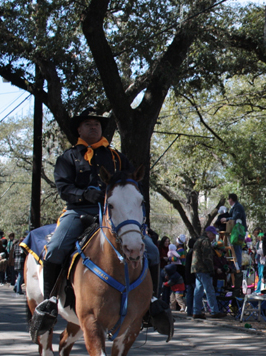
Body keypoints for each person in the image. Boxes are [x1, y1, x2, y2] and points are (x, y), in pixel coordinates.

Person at [30, 107, 171, 339]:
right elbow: (64, 188)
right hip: (79, 212)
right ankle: (49, 302)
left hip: (113, 216)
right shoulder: (68, 157)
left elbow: (131, 184)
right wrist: (85, 194)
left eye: (97, 124)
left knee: (153, 250)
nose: (93, 127)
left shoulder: (116, 157)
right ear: (79, 129)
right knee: (55, 248)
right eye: (88, 124)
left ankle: (152, 303)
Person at [191, 226, 226, 320]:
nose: (214, 237)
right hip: (203, 269)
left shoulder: (198, 240)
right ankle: (214, 311)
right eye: (213, 235)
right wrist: (211, 269)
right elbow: (207, 257)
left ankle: (196, 311)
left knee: (198, 290)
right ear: (208, 233)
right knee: (209, 290)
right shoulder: (205, 242)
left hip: (196, 268)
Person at [219, 193, 247, 270]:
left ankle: (237, 267)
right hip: (234, 232)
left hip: (238, 232)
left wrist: (226, 219)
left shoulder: (238, 207)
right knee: (234, 249)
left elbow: (235, 217)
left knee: (237, 248)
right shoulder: (234, 207)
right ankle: (234, 266)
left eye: (228, 199)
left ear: (230, 199)